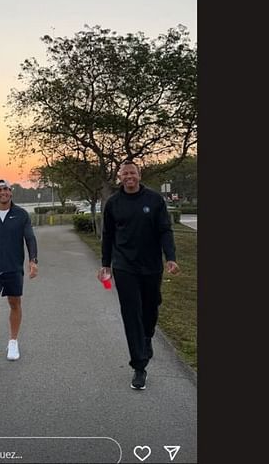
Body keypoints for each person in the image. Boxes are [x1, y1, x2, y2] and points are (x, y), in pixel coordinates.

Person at [99, 160, 179, 390]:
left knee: (151, 307)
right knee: (131, 313)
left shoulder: (154, 200)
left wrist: (170, 257)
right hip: (124, 266)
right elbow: (108, 235)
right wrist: (106, 264)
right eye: (125, 173)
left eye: (132, 172)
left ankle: (147, 336)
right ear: (120, 177)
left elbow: (165, 229)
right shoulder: (114, 203)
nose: (129, 176)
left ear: (139, 175)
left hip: (152, 265)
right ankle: (139, 366)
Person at [0, 179, 38, 374]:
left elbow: (29, 237)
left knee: (14, 303)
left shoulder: (21, 215)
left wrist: (33, 260)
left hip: (13, 267)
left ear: (11, 192)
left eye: (6, 189)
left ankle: (13, 342)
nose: (2, 192)